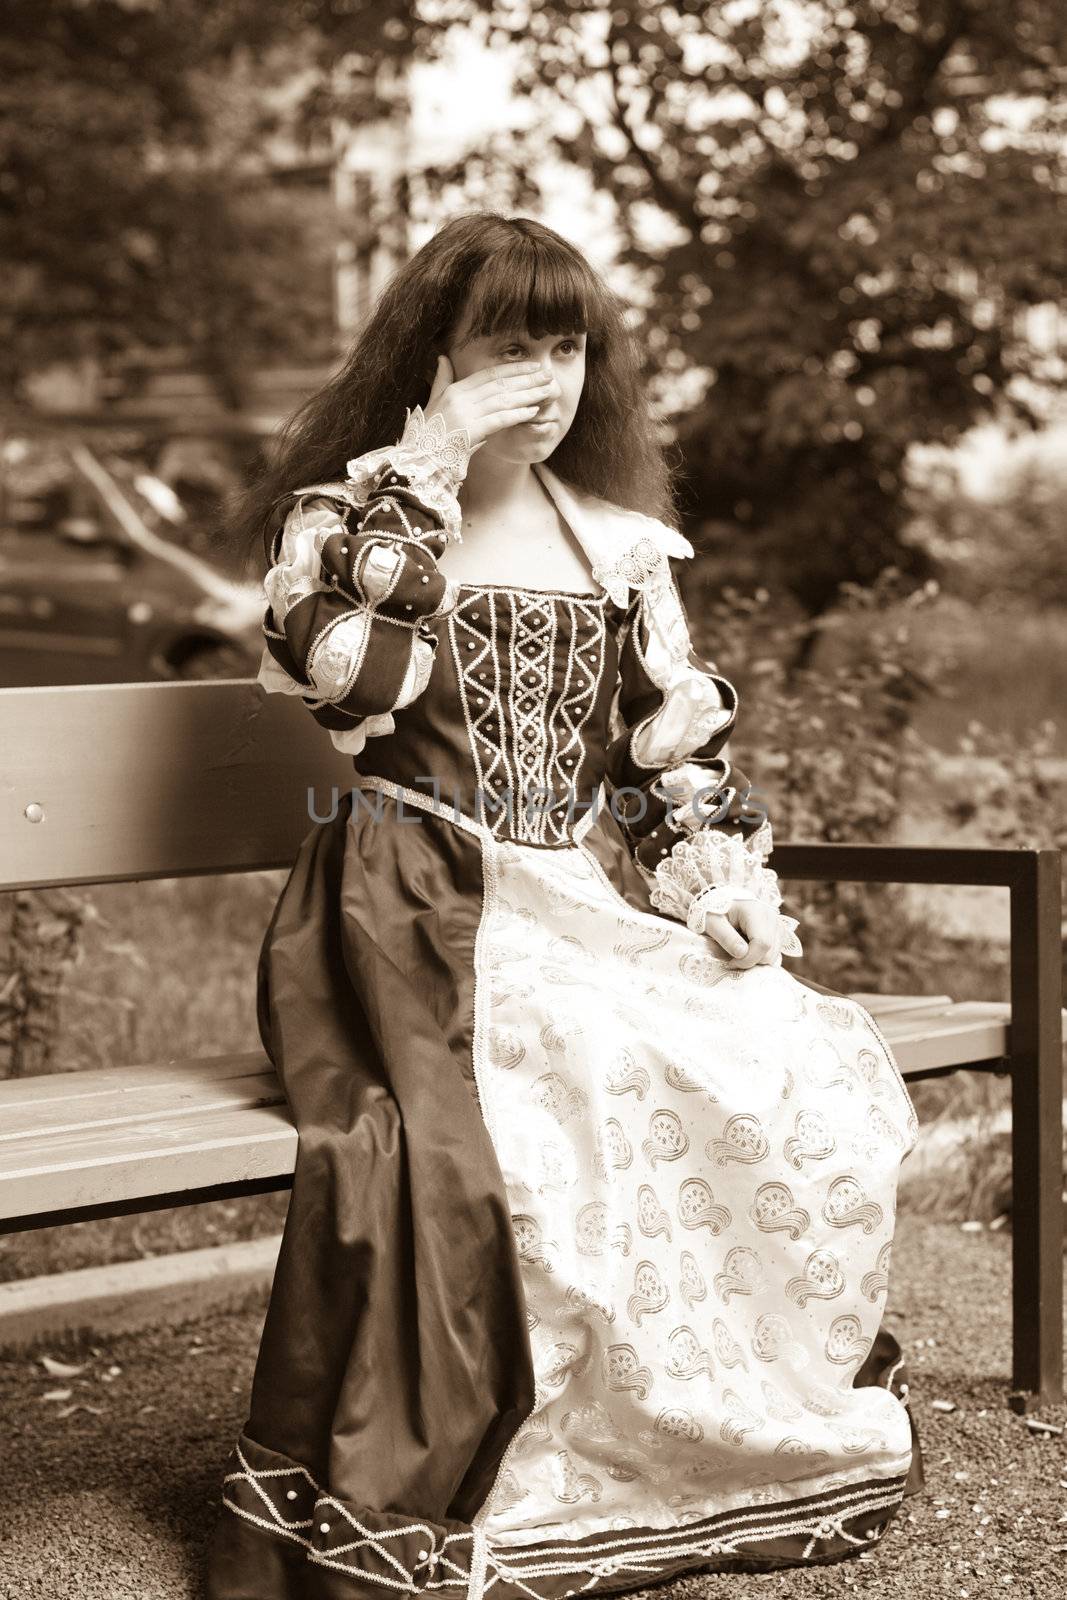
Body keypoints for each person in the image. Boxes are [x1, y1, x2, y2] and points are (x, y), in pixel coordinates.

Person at [203, 212, 924, 1600]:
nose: (546, 377)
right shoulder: (351, 518)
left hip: (565, 897)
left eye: (567, 346)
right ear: (436, 361)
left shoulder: (618, 547)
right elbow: (354, 684)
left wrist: (715, 888)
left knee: (771, 1043)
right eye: (508, 348)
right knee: (557, 1077)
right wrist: (428, 469)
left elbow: (669, 766)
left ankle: (664, 1448)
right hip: (401, 898)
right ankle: (514, 1478)